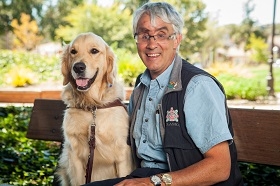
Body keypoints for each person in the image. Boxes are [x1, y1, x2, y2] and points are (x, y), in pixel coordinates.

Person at [84, 2, 243, 186]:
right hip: (143, 177)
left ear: (176, 39)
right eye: (144, 35)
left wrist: (153, 182)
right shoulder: (140, 87)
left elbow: (220, 167)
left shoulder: (197, 86)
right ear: (136, 40)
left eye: (161, 35)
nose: (152, 44)